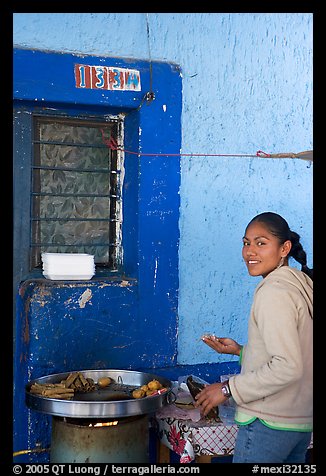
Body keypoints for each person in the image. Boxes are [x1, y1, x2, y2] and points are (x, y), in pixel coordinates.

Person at [195, 212, 313, 463]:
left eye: (261, 243)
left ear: (285, 248)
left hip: (269, 420)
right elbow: (299, 352)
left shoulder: (274, 291)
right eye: (246, 243)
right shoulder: (300, 284)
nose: (250, 251)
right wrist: (240, 351)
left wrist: (228, 389)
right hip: (299, 421)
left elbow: (288, 366)